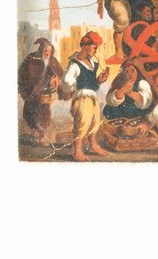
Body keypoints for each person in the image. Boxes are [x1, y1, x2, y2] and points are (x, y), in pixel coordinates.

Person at [59, 31, 110, 161]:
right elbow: (66, 81)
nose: (96, 50)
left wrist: (99, 81)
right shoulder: (75, 64)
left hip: (92, 97)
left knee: (95, 122)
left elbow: (92, 84)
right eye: (94, 47)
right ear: (86, 46)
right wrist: (75, 87)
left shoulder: (92, 63)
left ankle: (93, 145)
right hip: (82, 98)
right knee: (82, 123)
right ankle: (77, 151)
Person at [17, 37, 61, 145]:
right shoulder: (32, 59)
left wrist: (56, 77)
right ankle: (33, 133)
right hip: (32, 92)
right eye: (46, 50)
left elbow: (59, 72)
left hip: (45, 93)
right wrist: (27, 88)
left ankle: (41, 136)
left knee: (44, 114)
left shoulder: (52, 61)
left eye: (50, 51)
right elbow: (21, 73)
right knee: (31, 113)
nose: (47, 53)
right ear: (41, 50)